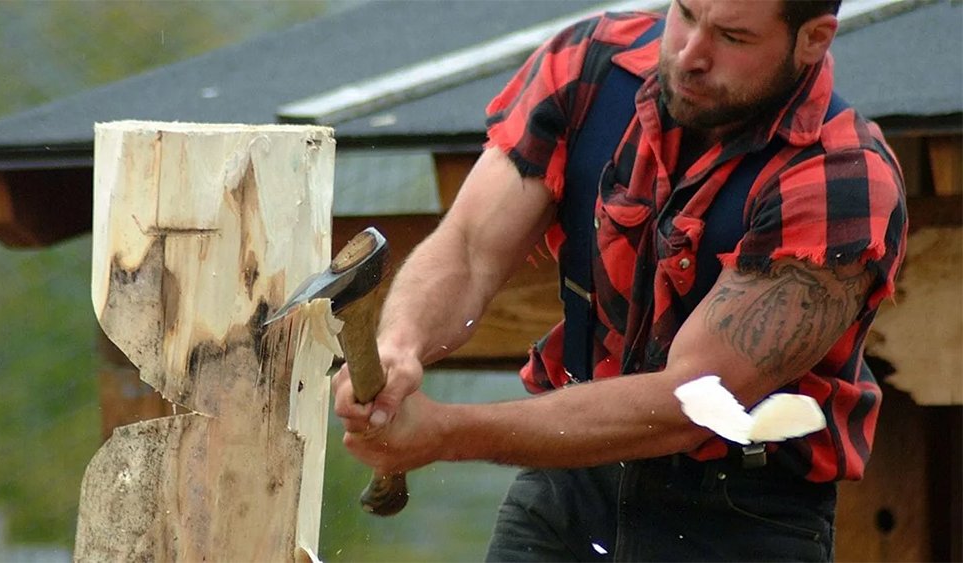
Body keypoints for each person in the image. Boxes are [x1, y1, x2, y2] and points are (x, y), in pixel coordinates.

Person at [334, 0, 907, 560]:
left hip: (741, 516)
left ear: (814, 39)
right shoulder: (591, 65)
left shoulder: (844, 177)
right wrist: (398, 348)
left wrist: (446, 433)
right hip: (567, 483)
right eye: (684, 13)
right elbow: (467, 249)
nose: (690, 54)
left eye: (733, 37)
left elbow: (690, 401)